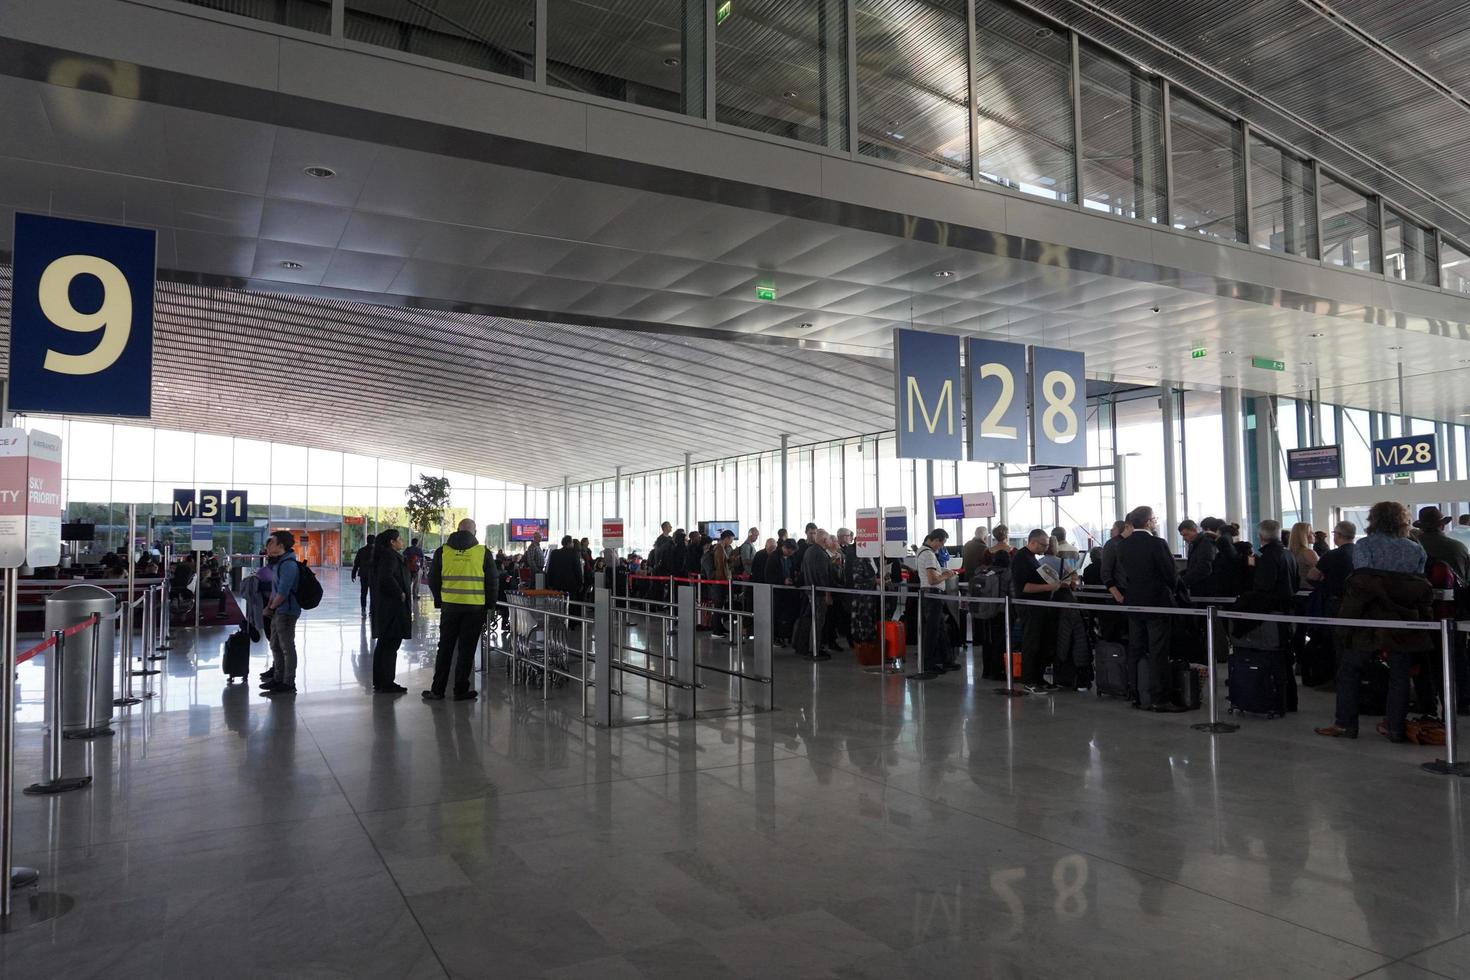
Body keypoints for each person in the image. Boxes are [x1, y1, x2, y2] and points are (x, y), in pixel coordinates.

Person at [1317, 502, 1431, 743]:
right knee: (1400, 674)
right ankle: (1395, 728)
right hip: (1402, 620)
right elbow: (1418, 583)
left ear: (1373, 519)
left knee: (1350, 670)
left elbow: (1361, 582)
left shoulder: (1365, 545)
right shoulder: (1415, 548)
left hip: (1368, 619)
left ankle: (1345, 724)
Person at [1111, 507, 1185, 712]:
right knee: (1158, 652)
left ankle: (1137, 695)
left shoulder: (1123, 546)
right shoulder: (1157, 544)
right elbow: (1171, 574)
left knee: (1135, 649)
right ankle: (1159, 698)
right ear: (1148, 522)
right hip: (1157, 604)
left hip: (1134, 602)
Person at [424, 519, 497, 702]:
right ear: (475, 532)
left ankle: (437, 690)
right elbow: (492, 582)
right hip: (474, 608)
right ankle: (461, 690)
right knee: (466, 650)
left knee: (445, 648)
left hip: (450, 607)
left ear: (457, 530)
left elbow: (432, 578)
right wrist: (490, 606)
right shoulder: (483, 552)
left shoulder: (443, 551)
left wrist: (441, 600)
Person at [1013, 528, 1070, 693]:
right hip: (1030, 608)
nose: (1046, 548)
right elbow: (1024, 587)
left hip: (1040, 607)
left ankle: (1038, 677)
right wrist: (1051, 586)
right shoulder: (1021, 559)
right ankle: (1029, 680)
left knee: (1042, 643)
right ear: (1032, 542)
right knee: (1031, 643)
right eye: (1043, 545)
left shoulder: (1032, 558)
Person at [259, 530, 302, 697]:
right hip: (278, 610)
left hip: (287, 612)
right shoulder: (279, 563)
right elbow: (274, 590)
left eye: (272, 542)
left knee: (287, 647)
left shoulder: (289, 565)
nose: (268, 546)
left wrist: (270, 608)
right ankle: (278, 678)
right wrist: (270, 606)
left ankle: (288, 682)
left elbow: (283, 592)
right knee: (275, 645)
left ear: (281, 546)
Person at [369, 529, 411, 694]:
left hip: (385, 607)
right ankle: (387, 682)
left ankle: (380, 681)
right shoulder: (389, 556)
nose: (401, 541)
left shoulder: (384, 555)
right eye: (399, 539)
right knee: (390, 644)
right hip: (393, 608)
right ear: (392, 542)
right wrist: (399, 592)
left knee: (384, 644)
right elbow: (386, 577)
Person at [912, 529, 959, 675]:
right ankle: (928, 663)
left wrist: (943, 571)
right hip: (932, 595)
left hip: (928, 595)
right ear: (936, 540)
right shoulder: (929, 554)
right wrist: (945, 575)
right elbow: (932, 580)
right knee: (932, 631)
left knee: (940, 629)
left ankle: (947, 660)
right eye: (942, 543)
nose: (941, 546)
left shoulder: (921, 551)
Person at [794, 530, 834, 660]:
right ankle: (814, 650)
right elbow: (823, 576)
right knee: (818, 622)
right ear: (823, 540)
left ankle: (808, 647)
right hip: (819, 593)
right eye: (828, 539)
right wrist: (828, 594)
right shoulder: (821, 554)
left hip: (810, 591)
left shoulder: (809, 551)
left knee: (812, 621)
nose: (830, 541)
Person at [766, 538, 799, 646]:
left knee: (787, 614)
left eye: (793, 551)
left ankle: (785, 635)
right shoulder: (773, 558)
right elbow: (768, 576)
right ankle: (775, 637)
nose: (791, 553)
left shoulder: (792, 557)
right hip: (776, 592)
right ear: (784, 547)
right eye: (789, 550)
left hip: (788, 592)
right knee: (776, 615)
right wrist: (782, 580)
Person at [350, 534, 376, 617]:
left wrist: (353, 573)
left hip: (364, 574)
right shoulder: (377, 551)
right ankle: (372, 610)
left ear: (367, 540)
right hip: (373, 575)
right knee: (373, 594)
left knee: (363, 592)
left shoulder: (361, 550)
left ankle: (363, 609)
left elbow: (356, 563)